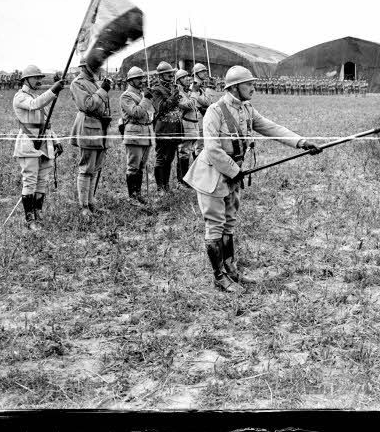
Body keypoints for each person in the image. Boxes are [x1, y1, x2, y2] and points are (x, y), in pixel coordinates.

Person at [183, 66, 323, 292]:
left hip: (233, 174)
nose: (253, 88)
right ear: (234, 87)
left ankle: (231, 271)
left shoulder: (247, 109)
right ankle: (219, 278)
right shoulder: (215, 111)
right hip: (211, 175)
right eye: (248, 84)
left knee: (229, 223)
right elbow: (212, 149)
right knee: (215, 226)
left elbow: (271, 128)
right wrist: (234, 171)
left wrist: (302, 142)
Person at [13, 65, 66, 230]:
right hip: (28, 144)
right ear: (26, 79)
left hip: (44, 143)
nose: (39, 80)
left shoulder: (36, 96)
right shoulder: (20, 97)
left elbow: (46, 122)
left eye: (40, 78)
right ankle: (30, 220)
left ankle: (38, 213)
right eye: (36, 77)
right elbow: (35, 104)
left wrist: (55, 140)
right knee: (30, 181)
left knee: (42, 181)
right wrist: (53, 90)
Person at [69, 50, 113, 219]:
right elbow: (87, 105)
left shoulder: (95, 82)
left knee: (95, 168)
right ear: (84, 67)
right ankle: (84, 206)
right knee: (86, 168)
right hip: (88, 127)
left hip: (100, 127)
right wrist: (103, 90)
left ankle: (91, 202)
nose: (96, 68)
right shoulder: (77, 83)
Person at [119, 65, 155, 203]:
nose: (141, 80)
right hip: (134, 134)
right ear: (130, 81)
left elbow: (149, 113)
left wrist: (147, 98)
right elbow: (136, 113)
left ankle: (138, 194)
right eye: (138, 78)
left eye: (142, 78)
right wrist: (147, 99)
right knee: (133, 166)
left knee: (141, 166)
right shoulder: (126, 96)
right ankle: (132, 197)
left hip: (145, 133)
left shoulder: (141, 94)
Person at [148, 61, 184, 193]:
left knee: (169, 158)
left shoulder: (173, 88)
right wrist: (174, 96)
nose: (171, 76)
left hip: (174, 128)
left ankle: (166, 186)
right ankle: (160, 188)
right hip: (163, 129)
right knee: (161, 158)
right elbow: (161, 108)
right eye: (168, 74)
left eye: (172, 73)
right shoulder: (155, 90)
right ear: (161, 76)